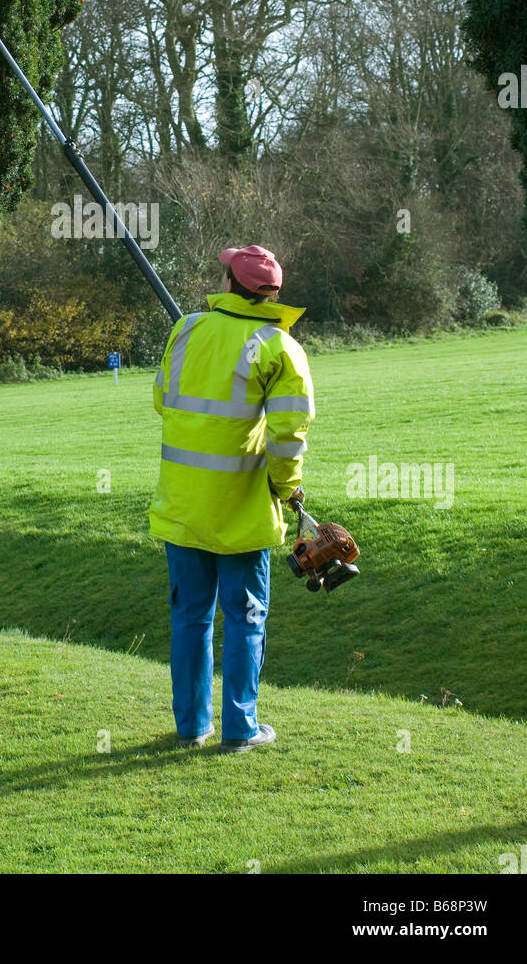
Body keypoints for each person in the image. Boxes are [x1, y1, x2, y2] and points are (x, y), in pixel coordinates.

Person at [149, 245, 314, 754]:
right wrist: (287, 487)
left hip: (182, 506)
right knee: (245, 620)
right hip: (241, 509)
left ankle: (190, 727)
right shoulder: (280, 346)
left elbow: (162, 401)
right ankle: (241, 730)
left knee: (190, 618)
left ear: (227, 282)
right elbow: (289, 435)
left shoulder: (186, 330)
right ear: (273, 293)